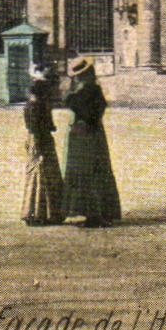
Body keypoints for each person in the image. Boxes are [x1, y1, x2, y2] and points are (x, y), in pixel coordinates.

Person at [62, 57, 121, 227]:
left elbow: (81, 109)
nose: (76, 78)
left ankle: (93, 214)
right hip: (90, 134)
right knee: (93, 171)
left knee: (88, 172)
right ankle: (96, 212)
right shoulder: (92, 89)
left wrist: (70, 97)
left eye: (78, 75)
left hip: (86, 135)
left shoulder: (87, 90)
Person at [20, 65, 65, 226]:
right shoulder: (37, 106)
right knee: (42, 174)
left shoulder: (32, 105)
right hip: (40, 140)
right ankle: (43, 213)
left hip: (38, 140)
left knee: (39, 175)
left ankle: (37, 212)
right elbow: (38, 128)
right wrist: (39, 148)